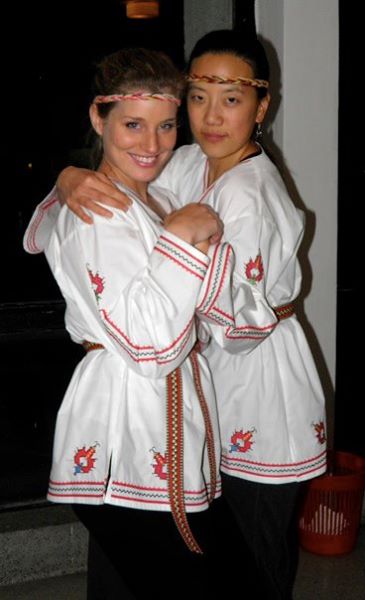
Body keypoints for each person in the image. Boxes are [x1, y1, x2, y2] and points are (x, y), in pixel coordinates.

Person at [24, 31, 327, 600]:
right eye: (197, 98)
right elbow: (120, 181)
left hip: (253, 383)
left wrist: (181, 251)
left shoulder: (249, 196)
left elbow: (235, 328)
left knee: (247, 561)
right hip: (158, 391)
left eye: (232, 99)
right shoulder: (189, 161)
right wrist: (70, 179)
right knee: (147, 557)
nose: (210, 117)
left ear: (262, 107)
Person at [23, 46, 239, 600]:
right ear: (99, 118)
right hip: (127, 435)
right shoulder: (97, 213)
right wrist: (180, 239)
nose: (152, 145)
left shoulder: (161, 194)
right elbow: (149, 349)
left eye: (167, 126)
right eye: (133, 125)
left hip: (169, 430)